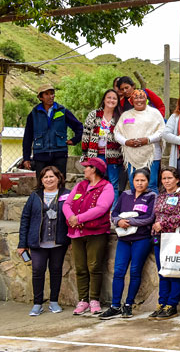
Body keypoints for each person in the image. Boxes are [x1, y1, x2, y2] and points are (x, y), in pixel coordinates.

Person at [100, 169, 157, 320]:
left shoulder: (152, 196)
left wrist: (129, 222)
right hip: (124, 240)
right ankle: (115, 306)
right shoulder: (125, 195)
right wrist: (118, 221)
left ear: (148, 181)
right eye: (137, 180)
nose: (139, 183)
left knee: (135, 271)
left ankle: (128, 305)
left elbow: (149, 218)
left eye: (143, 180)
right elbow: (114, 213)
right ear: (132, 181)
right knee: (118, 271)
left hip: (141, 239)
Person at [62, 157, 115, 316]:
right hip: (76, 232)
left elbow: (102, 208)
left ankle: (94, 299)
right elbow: (66, 204)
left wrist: (79, 219)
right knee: (80, 268)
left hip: (96, 232)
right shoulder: (80, 185)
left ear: (94, 169)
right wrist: (72, 218)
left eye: (86, 167)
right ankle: (83, 300)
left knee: (94, 266)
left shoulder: (107, 187)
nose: (84, 170)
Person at [17, 166, 70, 316]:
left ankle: (54, 301)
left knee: (56, 271)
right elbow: (25, 219)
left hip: (58, 242)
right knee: (38, 271)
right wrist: (22, 244)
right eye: (45, 177)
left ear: (59, 178)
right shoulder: (34, 196)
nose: (48, 179)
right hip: (38, 243)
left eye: (52, 176)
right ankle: (37, 303)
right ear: (41, 180)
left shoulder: (67, 195)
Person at [150, 166, 180, 320]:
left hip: (175, 238)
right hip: (159, 238)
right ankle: (161, 303)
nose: (166, 181)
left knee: (174, 271)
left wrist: (164, 223)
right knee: (163, 271)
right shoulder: (160, 196)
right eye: (164, 178)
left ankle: (172, 304)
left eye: (169, 178)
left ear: (177, 179)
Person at [22, 83, 83, 179]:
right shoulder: (34, 114)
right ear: (40, 97)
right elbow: (27, 137)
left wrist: (74, 140)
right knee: (42, 184)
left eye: (52, 93)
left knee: (60, 182)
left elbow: (79, 127)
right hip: (40, 155)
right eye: (46, 94)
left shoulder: (62, 111)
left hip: (59, 154)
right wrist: (26, 158)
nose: (50, 96)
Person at [114, 89, 165, 193]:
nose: (139, 100)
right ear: (131, 100)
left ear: (146, 99)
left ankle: (151, 208)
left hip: (152, 154)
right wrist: (126, 142)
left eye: (141, 97)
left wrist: (148, 139)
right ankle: (137, 208)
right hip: (132, 156)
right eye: (136, 97)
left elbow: (162, 131)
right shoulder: (126, 115)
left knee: (151, 184)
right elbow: (117, 132)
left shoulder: (155, 113)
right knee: (134, 185)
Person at [81, 89, 123, 206]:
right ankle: (94, 207)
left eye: (114, 98)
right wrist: (85, 153)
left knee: (113, 183)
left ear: (117, 101)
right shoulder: (94, 115)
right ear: (104, 99)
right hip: (95, 154)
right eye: (109, 97)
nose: (111, 100)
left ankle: (112, 211)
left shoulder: (119, 116)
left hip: (113, 155)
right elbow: (86, 134)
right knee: (95, 181)